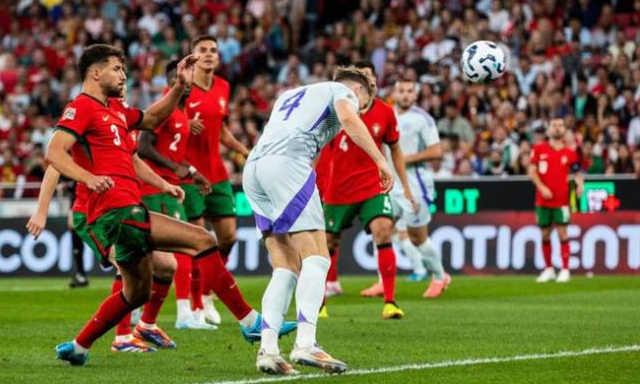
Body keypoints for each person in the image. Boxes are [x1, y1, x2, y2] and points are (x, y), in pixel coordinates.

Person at [44, 44, 242, 366]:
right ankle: (247, 322)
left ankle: (81, 346)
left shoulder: (115, 111)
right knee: (202, 240)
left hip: (128, 204)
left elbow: (150, 120)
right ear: (96, 72)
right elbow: (54, 153)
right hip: (109, 211)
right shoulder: (80, 107)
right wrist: (88, 178)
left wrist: (179, 86)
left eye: (123, 69)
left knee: (144, 285)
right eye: (116, 69)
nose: (124, 75)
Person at [242, 66, 393, 375]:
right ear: (360, 91)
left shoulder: (291, 94)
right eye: (365, 99)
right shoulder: (343, 92)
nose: (362, 106)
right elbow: (349, 119)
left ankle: (268, 350)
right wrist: (380, 161)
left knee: (285, 265)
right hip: (287, 165)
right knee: (318, 256)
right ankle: (306, 343)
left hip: (254, 169)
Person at [321, 60, 413, 320]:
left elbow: (395, 148)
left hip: (373, 186)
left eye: (370, 78)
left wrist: (405, 185)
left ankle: (390, 302)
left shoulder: (385, 112)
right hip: (338, 189)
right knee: (327, 244)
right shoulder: (334, 110)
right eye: (362, 79)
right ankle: (319, 305)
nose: (367, 83)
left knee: (383, 231)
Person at [136, 59, 217, 330]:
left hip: (169, 186)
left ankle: (140, 312)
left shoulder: (181, 113)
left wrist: (191, 171)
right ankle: (182, 314)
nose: (185, 84)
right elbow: (143, 146)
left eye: (189, 78)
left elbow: (172, 149)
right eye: (179, 79)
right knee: (176, 248)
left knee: (156, 253)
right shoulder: (164, 110)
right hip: (156, 187)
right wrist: (176, 169)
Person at [181, 35, 250, 325]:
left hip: (217, 173)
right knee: (198, 241)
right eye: (203, 51)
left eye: (213, 51)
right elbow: (161, 122)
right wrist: (185, 124)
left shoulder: (223, 87)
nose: (209, 55)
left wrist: (244, 149)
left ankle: (208, 292)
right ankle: (196, 306)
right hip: (188, 174)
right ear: (193, 56)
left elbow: (219, 128)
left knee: (228, 238)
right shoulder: (181, 87)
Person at [391, 78, 451, 298]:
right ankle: (383, 283)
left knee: (417, 238)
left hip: (415, 184)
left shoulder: (422, 119)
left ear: (415, 96)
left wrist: (404, 159)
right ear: (395, 94)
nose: (406, 95)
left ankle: (439, 275)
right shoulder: (388, 115)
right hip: (391, 184)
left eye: (410, 91)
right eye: (402, 91)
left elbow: (436, 152)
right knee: (381, 231)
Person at [529, 117, 584, 283]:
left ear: (564, 129)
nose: (557, 128)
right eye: (554, 125)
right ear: (549, 129)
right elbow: (532, 171)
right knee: (545, 234)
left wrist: (580, 184)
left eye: (560, 125)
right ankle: (549, 269)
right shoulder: (539, 149)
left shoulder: (570, 152)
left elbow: (576, 173)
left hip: (562, 200)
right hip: (543, 200)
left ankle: (565, 269)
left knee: (563, 233)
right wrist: (542, 187)